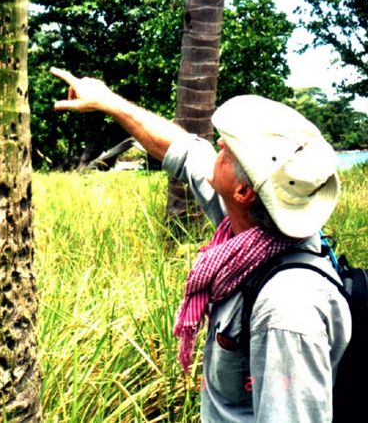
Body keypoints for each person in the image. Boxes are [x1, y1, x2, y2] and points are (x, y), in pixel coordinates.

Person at [50, 67, 351, 422]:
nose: (219, 144)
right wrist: (108, 102)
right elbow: (183, 150)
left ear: (245, 191)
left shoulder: (287, 310)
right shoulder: (249, 226)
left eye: (230, 150)